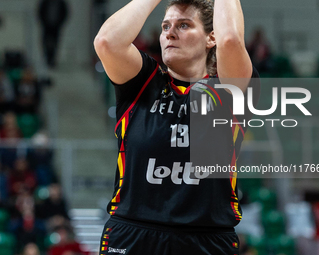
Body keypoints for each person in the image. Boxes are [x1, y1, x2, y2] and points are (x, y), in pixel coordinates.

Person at [94, 0, 260, 254]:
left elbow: (231, 41)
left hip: (206, 238)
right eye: (165, 26)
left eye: (183, 25)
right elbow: (107, 42)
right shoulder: (141, 83)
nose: (170, 33)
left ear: (210, 38)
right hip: (133, 234)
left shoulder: (228, 93)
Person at [38, 0, 69, 68]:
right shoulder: (45, 2)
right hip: (46, 26)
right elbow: (40, 12)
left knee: (55, 44)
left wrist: (60, 23)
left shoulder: (61, 3)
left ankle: (52, 60)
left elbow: (65, 13)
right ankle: (47, 59)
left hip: (56, 27)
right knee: (46, 43)